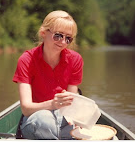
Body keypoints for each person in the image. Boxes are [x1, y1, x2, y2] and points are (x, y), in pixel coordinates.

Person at [12, 10, 84, 139]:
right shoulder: (26, 60)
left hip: (63, 119)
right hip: (35, 118)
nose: (62, 42)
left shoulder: (75, 59)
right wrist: (52, 104)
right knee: (44, 120)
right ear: (43, 33)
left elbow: (71, 102)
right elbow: (26, 109)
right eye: (58, 35)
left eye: (68, 38)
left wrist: (78, 120)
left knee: (88, 130)